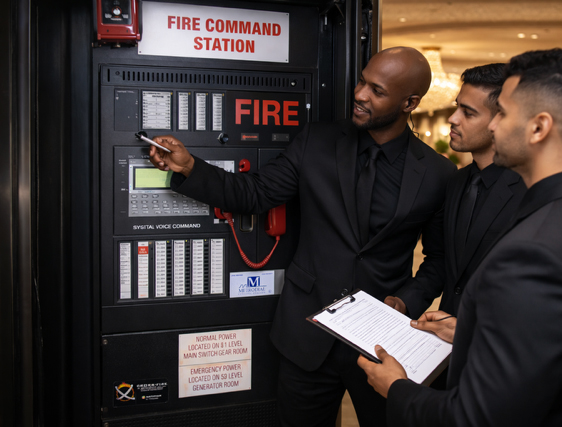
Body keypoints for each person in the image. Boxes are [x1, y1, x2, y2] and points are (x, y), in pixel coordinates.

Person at [148, 47, 456, 426]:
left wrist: (405, 302)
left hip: (382, 345)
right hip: (306, 334)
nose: (359, 94)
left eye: (376, 90)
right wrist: (191, 167)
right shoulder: (317, 140)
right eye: (362, 81)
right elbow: (256, 193)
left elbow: (439, 259)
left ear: (409, 102)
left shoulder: (440, 173)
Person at [358, 48, 562, 427]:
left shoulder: (535, 253)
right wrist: (474, 332)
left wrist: (397, 388)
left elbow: (477, 417)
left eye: (502, 113)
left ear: (539, 128)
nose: (492, 126)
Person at [387, 64, 526, 345]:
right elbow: (443, 261)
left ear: (503, 121)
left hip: (496, 348)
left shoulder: (530, 192)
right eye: (456, 107)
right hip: (444, 347)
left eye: (468, 112)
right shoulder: (456, 181)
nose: (453, 118)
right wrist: (405, 301)